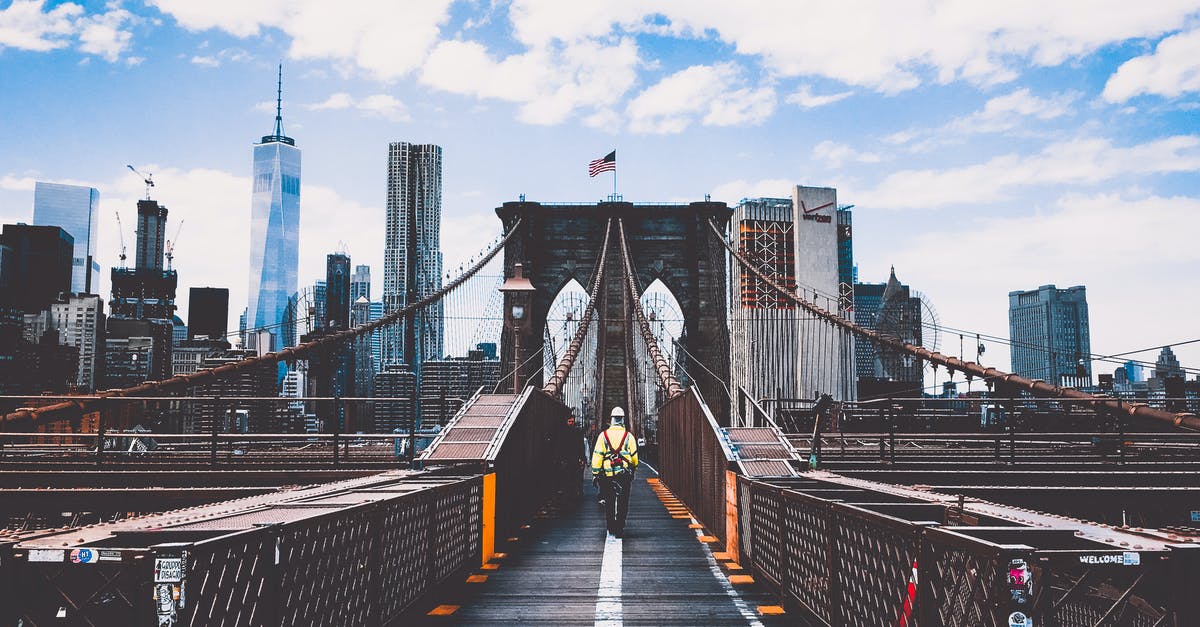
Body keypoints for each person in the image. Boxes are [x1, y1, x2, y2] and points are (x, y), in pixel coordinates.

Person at [591, 406, 639, 537]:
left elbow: (597, 455)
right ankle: (620, 527)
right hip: (624, 474)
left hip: (607, 475)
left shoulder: (603, 436)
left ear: (611, 419)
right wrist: (634, 468)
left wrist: (595, 473)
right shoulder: (629, 436)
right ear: (623, 419)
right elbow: (634, 457)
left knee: (609, 501)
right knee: (623, 501)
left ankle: (611, 526)